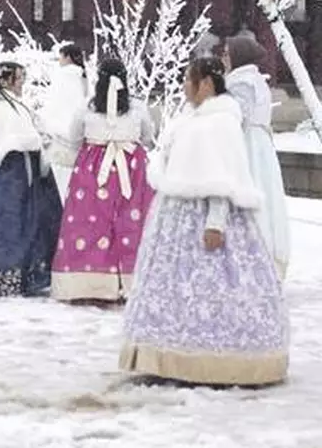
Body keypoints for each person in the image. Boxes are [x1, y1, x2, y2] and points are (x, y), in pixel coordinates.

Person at [120, 57, 288, 387]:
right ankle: (168, 352)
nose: (184, 86)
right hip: (178, 214)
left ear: (206, 84)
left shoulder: (221, 122)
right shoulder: (192, 119)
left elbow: (221, 178)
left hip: (205, 218)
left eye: (188, 79)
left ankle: (217, 358)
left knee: (213, 286)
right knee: (176, 286)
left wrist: (215, 223)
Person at [50, 58, 156, 302]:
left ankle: (87, 283)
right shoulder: (137, 108)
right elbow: (148, 136)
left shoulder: (86, 108)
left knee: (90, 224)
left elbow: (74, 137)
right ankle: (130, 281)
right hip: (132, 168)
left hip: (93, 169)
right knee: (131, 223)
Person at [0, 61, 62, 297]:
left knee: (25, 222)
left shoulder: (9, 103)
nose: (22, 83)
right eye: (19, 79)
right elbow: (16, 136)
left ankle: (23, 273)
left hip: (18, 171)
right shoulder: (1, 107)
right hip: (8, 173)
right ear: (7, 80)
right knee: (10, 223)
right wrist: (36, 140)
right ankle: (7, 276)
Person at [224, 36, 291, 280]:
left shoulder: (241, 83)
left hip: (247, 144)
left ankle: (250, 260)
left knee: (247, 193)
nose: (224, 57)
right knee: (265, 194)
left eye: (227, 53)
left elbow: (237, 115)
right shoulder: (254, 80)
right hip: (259, 144)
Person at [40, 44, 89, 200]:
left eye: (60, 57)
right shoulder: (83, 77)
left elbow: (54, 104)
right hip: (77, 135)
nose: (59, 61)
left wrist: (45, 124)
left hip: (58, 135)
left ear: (67, 57)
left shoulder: (62, 76)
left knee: (58, 180)